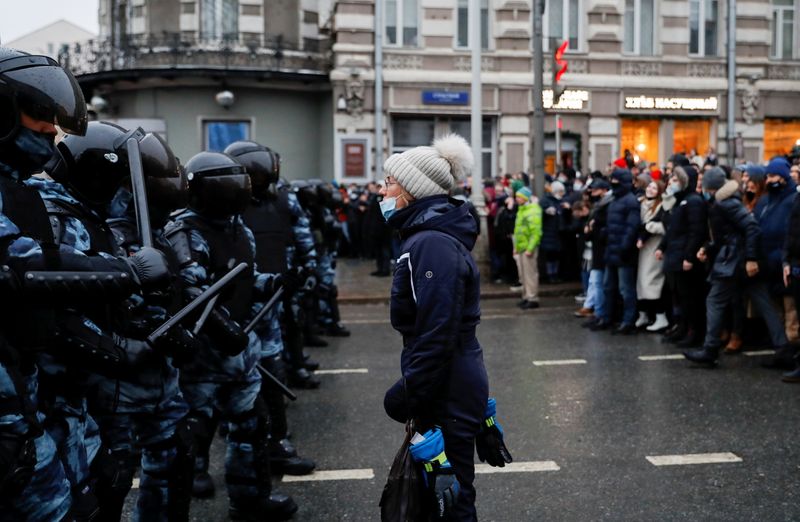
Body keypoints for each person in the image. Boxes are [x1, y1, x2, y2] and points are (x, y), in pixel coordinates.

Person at [165, 152, 297, 521]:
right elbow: (194, 294)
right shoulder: (184, 233)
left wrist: (273, 283)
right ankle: (190, 484)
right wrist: (224, 332)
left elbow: (242, 281)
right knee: (195, 429)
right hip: (203, 357)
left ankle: (250, 497)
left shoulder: (240, 229)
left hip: (240, 349)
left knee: (251, 427)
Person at [381, 134, 504, 521]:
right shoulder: (424, 238)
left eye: (390, 183)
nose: (382, 191)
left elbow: (438, 333)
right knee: (439, 501)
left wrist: (408, 393)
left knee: (450, 505)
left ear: (414, 191)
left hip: (446, 387)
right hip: (448, 384)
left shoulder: (431, 244)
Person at [684, 168, 790, 366]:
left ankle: (710, 349)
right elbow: (728, 234)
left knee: (715, 301)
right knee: (764, 303)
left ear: (710, 187)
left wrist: (750, 258)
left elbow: (751, 228)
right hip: (738, 260)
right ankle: (783, 349)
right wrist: (708, 248)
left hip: (733, 262)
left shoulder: (726, 203)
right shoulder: (727, 201)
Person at [656, 160, 708, 347]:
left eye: (677, 178)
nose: (673, 181)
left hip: (683, 258)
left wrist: (689, 256)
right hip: (675, 255)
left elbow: (696, 232)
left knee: (690, 298)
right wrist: (662, 247)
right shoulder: (681, 201)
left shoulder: (693, 201)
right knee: (679, 296)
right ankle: (683, 328)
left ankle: (694, 332)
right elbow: (672, 230)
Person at [596, 168, 641, 334]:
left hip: (622, 252)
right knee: (608, 287)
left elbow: (632, 227)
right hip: (612, 249)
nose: (613, 184)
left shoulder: (630, 201)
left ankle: (628, 320)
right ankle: (608, 318)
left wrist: (624, 246)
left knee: (625, 289)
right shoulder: (615, 199)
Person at [635, 181, 668, 331]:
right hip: (642, 249)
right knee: (641, 283)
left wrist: (648, 227)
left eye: (654, 188)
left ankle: (661, 317)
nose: (650, 189)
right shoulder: (640, 203)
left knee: (652, 283)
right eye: (649, 186)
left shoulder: (662, 206)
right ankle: (644, 315)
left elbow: (664, 226)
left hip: (654, 248)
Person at [512, 186, 543, 310]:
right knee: (524, 275)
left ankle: (532, 298)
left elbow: (536, 232)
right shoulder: (523, 209)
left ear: (525, 197)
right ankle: (526, 296)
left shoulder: (532, 210)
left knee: (530, 274)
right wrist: (517, 247)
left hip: (528, 248)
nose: (516, 199)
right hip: (522, 247)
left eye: (519, 197)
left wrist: (530, 248)